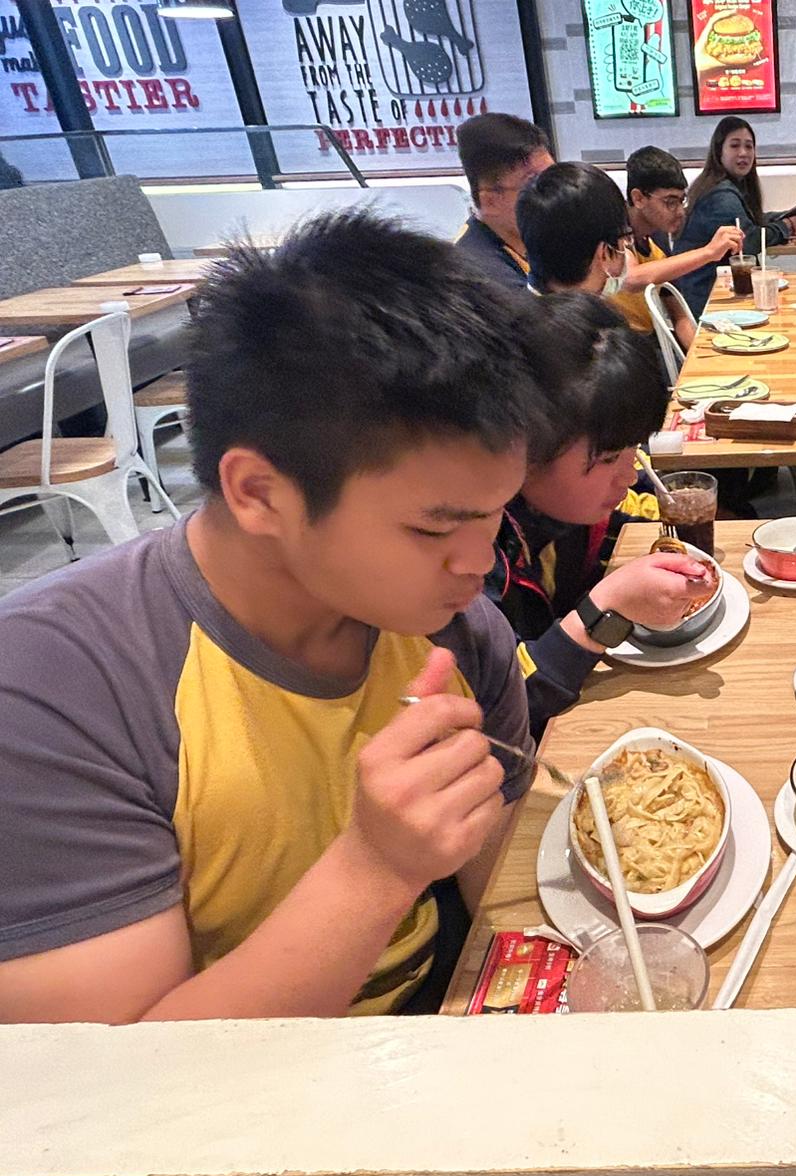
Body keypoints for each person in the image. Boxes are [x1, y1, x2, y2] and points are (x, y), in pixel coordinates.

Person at [0, 211, 560, 1022]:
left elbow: (501, 909)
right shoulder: (58, 690)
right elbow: (116, 1082)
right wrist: (375, 868)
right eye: (435, 528)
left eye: (494, 513)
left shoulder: (458, 633)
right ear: (259, 494)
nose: (479, 563)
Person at [487, 293, 714, 725]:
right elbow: (507, 703)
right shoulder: (473, 551)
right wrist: (605, 608)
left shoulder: (574, 505)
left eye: (634, 448)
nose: (628, 474)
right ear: (524, 448)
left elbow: (629, 510)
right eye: (609, 458)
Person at [614, 146, 744, 348]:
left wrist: (695, 355)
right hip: (617, 348)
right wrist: (709, 252)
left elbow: (678, 314)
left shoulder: (658, 238)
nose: (680, 212)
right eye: (670, 202)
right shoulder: (615, 231)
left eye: (681, 201)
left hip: (649, 343)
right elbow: (631, 278)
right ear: (638, 198)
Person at [675, 117, 796, 314]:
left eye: (749, 146)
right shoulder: (720, 195)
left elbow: (747, 220)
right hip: (708, 297)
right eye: (735, 146)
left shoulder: (723, 184)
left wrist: (781, 217)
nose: (743, 153)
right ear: (719, 151)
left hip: (714, 289)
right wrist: (785, 227)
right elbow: (748, 242)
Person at [454, 112, 555, 289]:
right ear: (490, 201)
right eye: (535, 184)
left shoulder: (534, 240)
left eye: (554, 176)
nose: (555, 193)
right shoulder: (485, 278)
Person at [515, 162, 630, 296]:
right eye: (625, 239)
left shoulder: (515, 304)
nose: (626, 246)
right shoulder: (593, 308)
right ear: (604, 252)